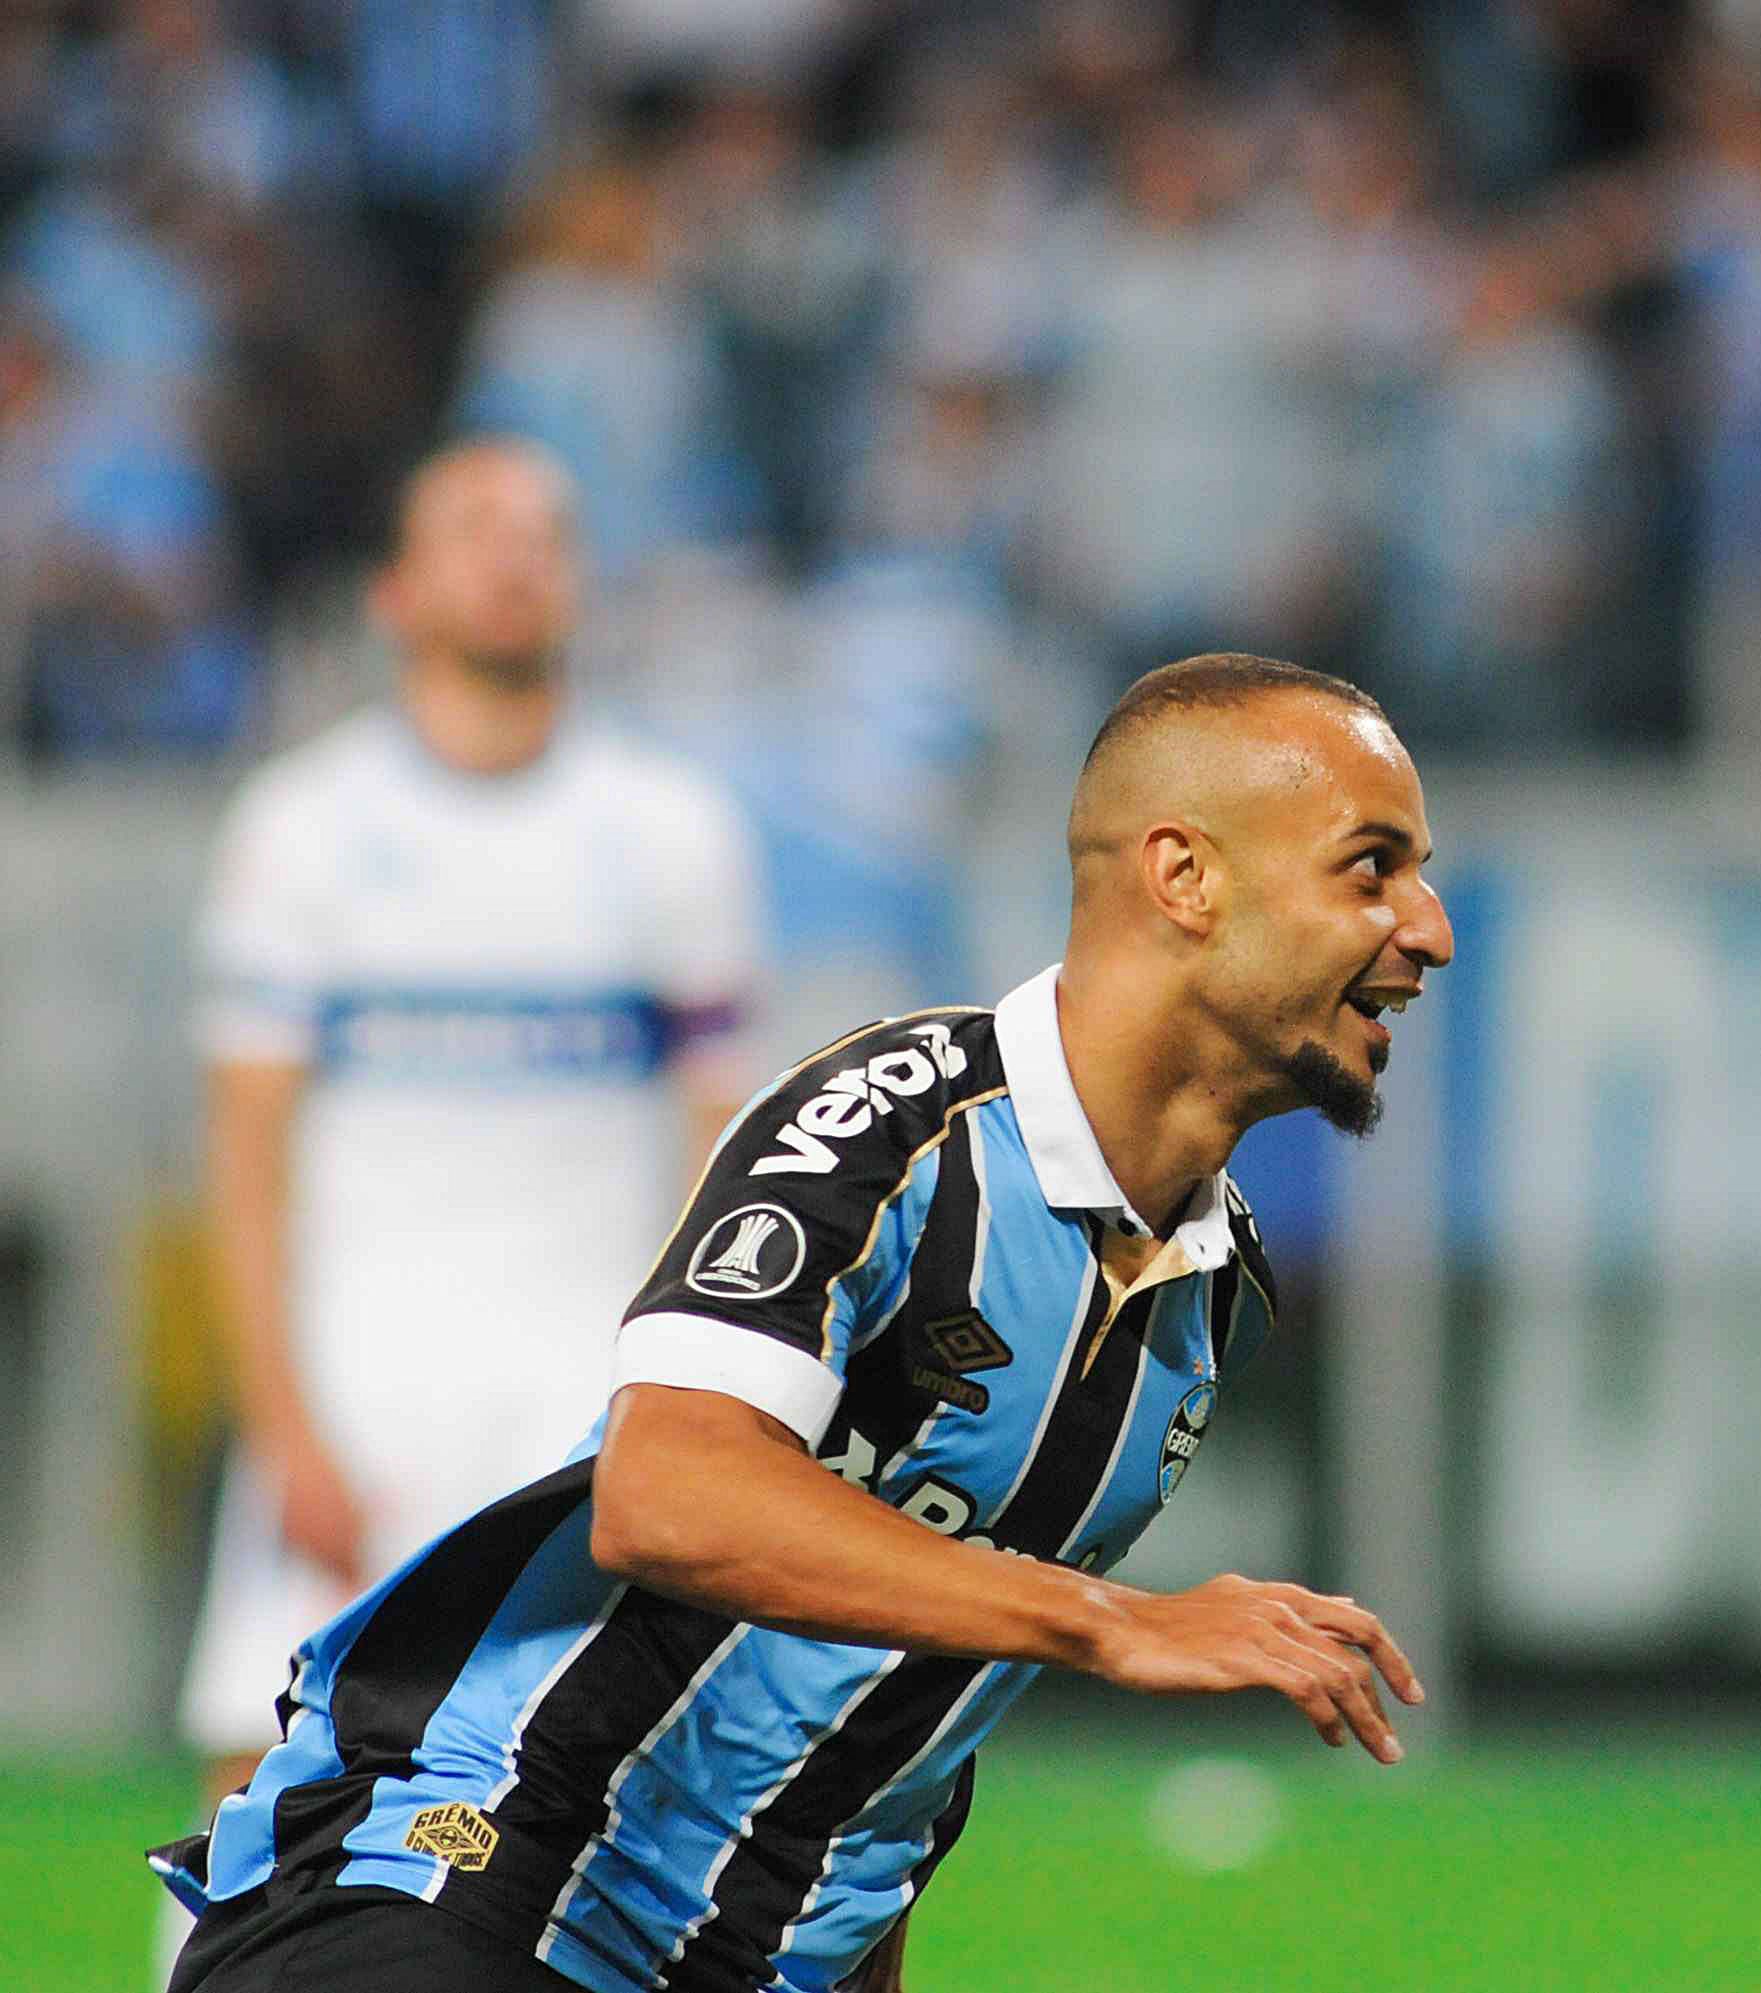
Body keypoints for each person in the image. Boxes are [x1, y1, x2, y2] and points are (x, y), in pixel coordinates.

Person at [153, 653, 1453, 1993]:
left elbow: (906, 1732)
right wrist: (1110, 1619)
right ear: (1184, 876)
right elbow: (666, 1489)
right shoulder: (891, 1126)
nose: (1428, 927)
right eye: (1371, 868)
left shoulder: (1209, 1292)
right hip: (477, 1872)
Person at [173, 438, 763, 1947]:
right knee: (266, 1772)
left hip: (585, 1406)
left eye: (548, 530)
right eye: (478, 526)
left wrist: (695, 1414)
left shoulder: (671, 832)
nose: (518, 554)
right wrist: (283, 1414)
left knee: (598, 1800)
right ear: (397, 588)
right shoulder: (300, 830)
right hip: (361, 1386)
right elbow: (244, 1157)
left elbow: (729, 1165)